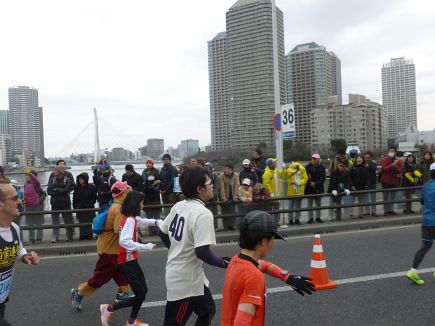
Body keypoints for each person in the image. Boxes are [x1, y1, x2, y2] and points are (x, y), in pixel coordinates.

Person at [158, 166, 231, 326]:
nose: (212, 184)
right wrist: (223, 262)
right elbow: (202, 252)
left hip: (189, 275)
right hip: (186, 280)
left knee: (208, 310)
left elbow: (162, 232)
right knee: (173, 323)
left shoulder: (180, 205)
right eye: (209, 182)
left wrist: (177, 249)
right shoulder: (203, 213)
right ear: (200, 189)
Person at [220, 210, 314, 325]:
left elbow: (264, 265)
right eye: (272, 239)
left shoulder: (236, 260)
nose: (272, 244)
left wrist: (286, 277)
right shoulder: (253, 276)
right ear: (264, 241)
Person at [70, 181, 131, 312]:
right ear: (123, 193)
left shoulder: (113, 205)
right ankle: (79, 292)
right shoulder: (119, 209)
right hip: (110, 248)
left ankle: (123, 294)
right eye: (128, 191)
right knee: (101, 276)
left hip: (108, 245)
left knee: (120, 271)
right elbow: (117, 230)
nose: (130, 193)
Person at [99, 191, 157, 326]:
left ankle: (130, 321)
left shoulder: (130, 217)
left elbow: (142, 221)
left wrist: (157, 222)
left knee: (143, 291)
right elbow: (124, 241)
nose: (143, 205)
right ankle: (109, 309)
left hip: (130, 260)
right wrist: (145, 246)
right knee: (141, 293)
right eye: (141, 202)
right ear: (135, 203)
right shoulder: (129, 219)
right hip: (126, 261)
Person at [0, 181, 39, 320]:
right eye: (15, 198)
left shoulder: (14, 228)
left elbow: (19, 247)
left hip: (2, 298)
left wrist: (24, 256)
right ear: (1, 204)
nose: (20, 201)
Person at [406, 163, 435, 285]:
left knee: (425, 247)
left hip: (427, 220)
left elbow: (422, 201)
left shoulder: (426, 185)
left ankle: (413, 271)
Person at [47, 164, 75, 243]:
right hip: (54, 203)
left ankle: (68, 234)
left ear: (60, 172)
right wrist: (59, 191)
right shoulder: (52, 179)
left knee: (67, 220)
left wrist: (55, 190)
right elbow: (49, 191)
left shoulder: (67, 179)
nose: (54, 171)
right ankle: (55, 235)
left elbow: (66, 190)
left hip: (65, 203)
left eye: (55, 170)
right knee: (55, 221)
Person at [379, 146, 403, 216]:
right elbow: (384, 169)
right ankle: (386, 211)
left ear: (395, 152)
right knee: (385, 196)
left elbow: (400, 170)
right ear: (388, 152)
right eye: (390, 151)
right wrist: (393, 165)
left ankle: (391, 210)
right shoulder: (384, 159)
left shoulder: (398, 160)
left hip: (394, 180)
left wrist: (394, 166)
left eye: (393, 151)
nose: (391, 152)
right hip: (385, 180)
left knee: (392, 196)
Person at [73, 172, 97, 240]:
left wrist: (90, 204)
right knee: (81, 222)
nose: (81, 181)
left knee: (89, 222)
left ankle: (89, 235)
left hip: (89, 207)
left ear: (85, 179)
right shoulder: (77, 188)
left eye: (82, 179)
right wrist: (76, 206)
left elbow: (94, 197)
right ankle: (82, 235)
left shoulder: (91, 187)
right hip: (80, 208)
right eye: (79, 179)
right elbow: (74, 199)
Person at [23, 169, 44, 244]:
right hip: (28, 206)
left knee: (39, 223)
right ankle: (31, 239)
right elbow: (26, 195)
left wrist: (31, 174)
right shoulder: (25, 184)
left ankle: (39, 238)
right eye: (26, 175)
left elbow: (37, 181)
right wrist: (24, 200)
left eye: (28, 175)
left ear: (33, 176)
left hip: (37, 206)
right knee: (30, 224)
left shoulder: (36, 185)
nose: (27, 177)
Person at [305, 153, 326, 223]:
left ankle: (318, 217)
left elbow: (323, 178)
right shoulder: (307, 166)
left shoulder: (322, 167)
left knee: (318, 204)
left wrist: (316, 183)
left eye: (315, 158)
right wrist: (310, 182)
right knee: (309, 204)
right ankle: (310, 218)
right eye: (313, 158)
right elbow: (305, 177)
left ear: (319, 159)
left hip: (318, 188)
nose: (313, 160)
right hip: (309, 187)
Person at [285, 161, 308, 225]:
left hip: (300, 191)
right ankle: (290, 220)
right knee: (290, 207)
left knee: (298, 207)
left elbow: (305, 178)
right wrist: (291, 182)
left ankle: (297, 219)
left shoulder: (302, 170)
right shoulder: (289, 170)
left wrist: (299, 182)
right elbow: (287, 179)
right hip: (291, 191)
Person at [219, 164, 240, 230]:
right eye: (226, 169)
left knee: (232, 210)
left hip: (232, 195)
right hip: (224, 195)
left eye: (229, 169)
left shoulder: (236, 175)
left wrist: (235, 196)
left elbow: (237, 186)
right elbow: (221, 187)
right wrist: (223, 198)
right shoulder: (221, 176)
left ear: (232, 170)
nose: (227, 170)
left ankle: (232, 225)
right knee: (225, 210)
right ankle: (225, 226)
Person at [262, 158, 283, 224]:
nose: (275, 164)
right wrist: (270, 192)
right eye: (274, 163)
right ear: (270, 164)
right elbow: (265, 184)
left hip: (277, 194)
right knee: (270, 210)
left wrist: (284, 168)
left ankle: (276, 222)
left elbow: (281, 175)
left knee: (277, 209)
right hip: (271, 195)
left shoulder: (276, 171)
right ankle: (270, 222)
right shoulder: (266, 174)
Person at [349, 154, 368, 218]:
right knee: (352, 201)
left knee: (361, 201)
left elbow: (366, 178)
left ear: (363, 160)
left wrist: (366, 185)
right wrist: (351, 185)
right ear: (356, 160)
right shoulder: (352, 168)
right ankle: (351, 214)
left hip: (362, 187)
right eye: (358, 158)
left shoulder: (365, 168)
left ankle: (361, 214)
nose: (359, 159)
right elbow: (349, 178)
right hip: (353, 187)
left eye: (361, 158)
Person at [205, 162, 220, 229]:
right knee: (206, 212)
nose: (205, 168)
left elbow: (216, 186)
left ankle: (215, 226)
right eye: (205, 166)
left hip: (213, 196)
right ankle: (207, 227)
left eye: (207, 167)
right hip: (205, 195)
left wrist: (214, 194)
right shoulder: (203, 175)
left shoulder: (214, 175)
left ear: (210, 168)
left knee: (214, 212)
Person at [364, 152, 378, 216]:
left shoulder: (374, 164)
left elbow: (374, 168)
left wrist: (368, 166)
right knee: (366, 198)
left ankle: (373, 212)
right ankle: (367, 211)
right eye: (366, 158)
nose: (367, 159)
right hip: (365, 183)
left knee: (373, 198)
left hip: (372, 183)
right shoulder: (363, 164)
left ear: (371, 158)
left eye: (368, 158)